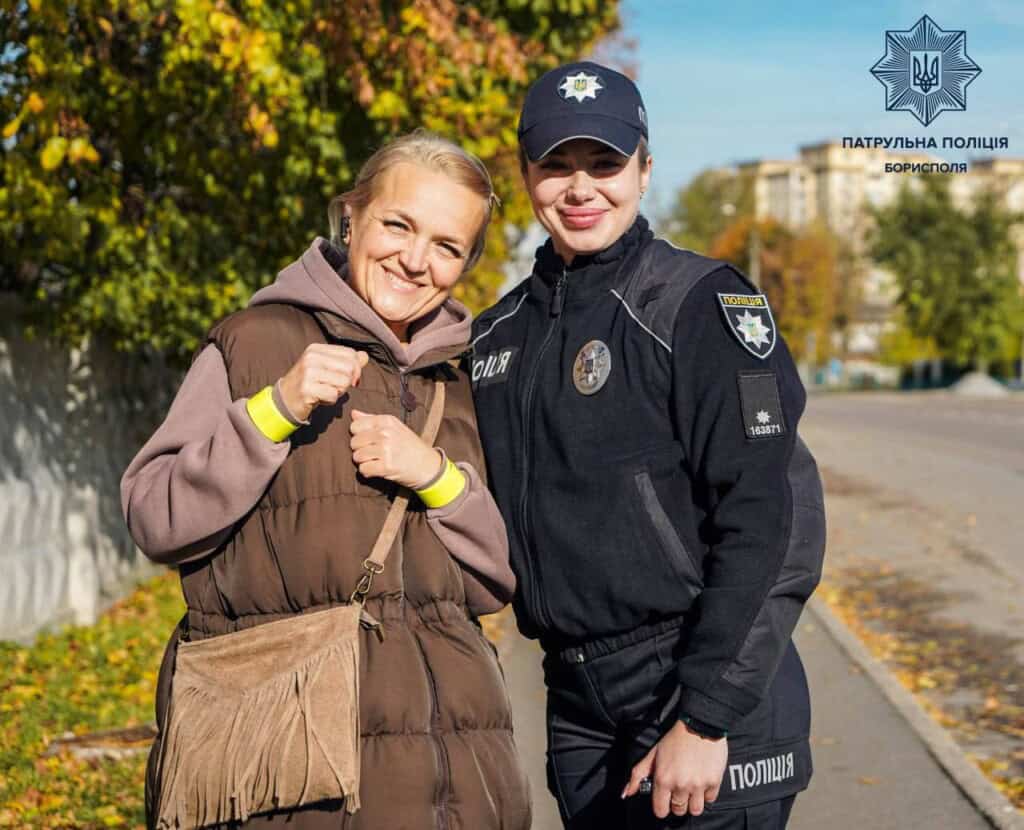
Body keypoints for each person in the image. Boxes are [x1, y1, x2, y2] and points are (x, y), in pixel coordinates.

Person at [121, 130, 531, 830]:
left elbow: (492, 587)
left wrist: (437, 478)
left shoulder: (459, 383)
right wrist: (273, 411)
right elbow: (154, 519)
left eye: (446, 246)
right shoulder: (253, 342)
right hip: (292, 774)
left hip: (460, 772)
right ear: (352, 216)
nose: (415, 259)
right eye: (398, 225)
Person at [470, 61, 826, 829]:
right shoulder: (497, 337)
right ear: (525, 174)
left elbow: (773, 523)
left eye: (605, 163)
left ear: (644, 168)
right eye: (555, 165)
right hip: (576, 704)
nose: (580, 188)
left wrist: (705, 717)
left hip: (695, 689)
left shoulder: (699, 305)